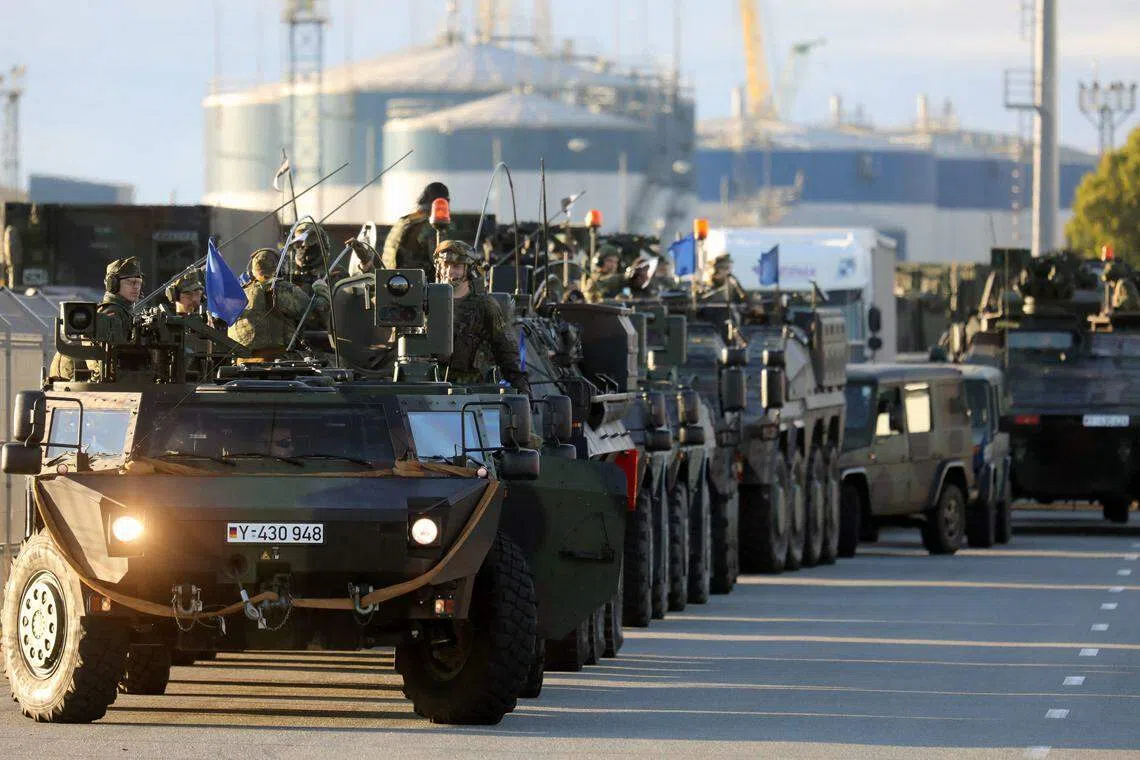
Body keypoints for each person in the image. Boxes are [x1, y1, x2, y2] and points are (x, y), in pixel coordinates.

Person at [435, 240, 530, 395]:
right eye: (445, 265)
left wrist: (523, 392)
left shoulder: (485, 306)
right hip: (430, 389)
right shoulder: (427, 302)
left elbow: (506, 353)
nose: (449, 271)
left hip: (471, 393)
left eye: (456, 266)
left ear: (468, 270)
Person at [49, 257, 144, 381]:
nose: (136, 287)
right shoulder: (110, 313)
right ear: (113, 284)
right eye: (130, 282)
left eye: (138, 282)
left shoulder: (124, 313)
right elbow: (103, 363)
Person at [227, 248, 310, 362]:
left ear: (252, 270)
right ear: (278, 268)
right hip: (274, 361)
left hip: (241, 362)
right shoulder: (283, 289)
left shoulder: (240, 293)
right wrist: (321, 291)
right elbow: (311, 311)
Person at [382, 182, 452, 276]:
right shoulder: (432, 225)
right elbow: (440, 261)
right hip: (415, 279)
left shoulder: (405, 220)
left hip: (391, 277)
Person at [286, 221, 331, 330]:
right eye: (299, 245)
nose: (303, 247)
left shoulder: (334, 273)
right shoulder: (286, 275)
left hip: (326, 336)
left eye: (309, 244)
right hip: (293, 336)